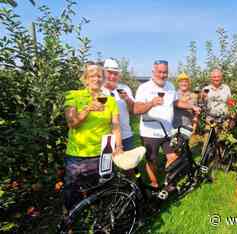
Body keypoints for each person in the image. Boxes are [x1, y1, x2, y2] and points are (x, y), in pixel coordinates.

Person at [63, 63, 123, 211]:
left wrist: (119, 146)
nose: (96, 79)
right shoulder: (74, 96)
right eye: (92, 76)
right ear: (85, 79)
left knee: (103, 190)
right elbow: (72, 123)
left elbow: (115, 126)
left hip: (105, 152)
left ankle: (102, 221)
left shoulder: (110, 101)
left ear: (103, 79)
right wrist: (88, 108)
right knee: (72, 193)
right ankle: (69, 224)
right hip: (79, 154)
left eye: (99, 76)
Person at [134, 60, 196, 188]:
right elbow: (136, 110)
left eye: (165, 72)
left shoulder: (170, 86)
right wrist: (151, 103)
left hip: (167, 131)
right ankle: (155, 184)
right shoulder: (144, 88)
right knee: (152, 161)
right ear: (153, 72)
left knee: (173, 157)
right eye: (160, 72)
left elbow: (176, 103)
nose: (162, 75)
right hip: (149, 132)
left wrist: (191, 106)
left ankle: (168, 182)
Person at [102, 58, 135, 151]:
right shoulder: (99, 90)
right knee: (107, 164)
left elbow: (133, 110)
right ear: (104, 73)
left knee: (129, 164)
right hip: (105, 136)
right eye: (109, 73)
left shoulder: (124, 88)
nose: (112, 76)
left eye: (115, 73)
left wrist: (127, 99)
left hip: (126, 135)